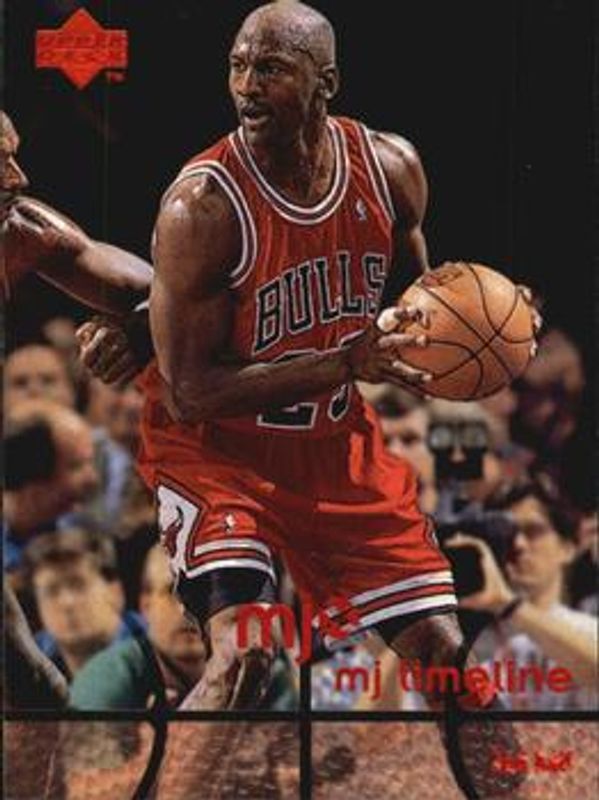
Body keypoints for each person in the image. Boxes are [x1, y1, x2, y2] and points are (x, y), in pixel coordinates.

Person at [137, 3, 538, 796]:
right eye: (237, 65)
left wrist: (501, 319)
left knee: (446, 659)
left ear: (326, 83)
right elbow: (188, 393)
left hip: (331, 448)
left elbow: (418, 303)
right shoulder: (203, 206)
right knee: (247, 652)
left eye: (270, 69)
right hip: (219, 454)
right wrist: (341, 362)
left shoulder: (389, 169)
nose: (246, 87)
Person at [1, 109, 153, 385]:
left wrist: (138, 328)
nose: (18, 179)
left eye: (11, 158)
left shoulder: (21, 230)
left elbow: (160, 290)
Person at [445, 481, 598, 709]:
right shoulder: (464, 639)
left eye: (533, 531)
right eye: (506, 534)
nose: (518, 544)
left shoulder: (586, 630)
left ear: (568, 548)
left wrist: (509, 605)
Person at [25, 527, 145, 679]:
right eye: (51, 591)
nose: (67, 603)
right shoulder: (25, 661)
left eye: (78, 585)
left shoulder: (159, 648)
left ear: (115, 593)